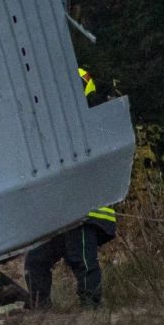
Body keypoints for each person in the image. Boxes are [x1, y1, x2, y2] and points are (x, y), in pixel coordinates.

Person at [24, 67, 117, 308]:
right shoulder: (60, 126)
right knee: (36, 260)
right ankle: (39, 309)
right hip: (66, 212)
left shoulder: (84, 127)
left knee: (81, 258)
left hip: (86, 212)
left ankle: (92, 308)